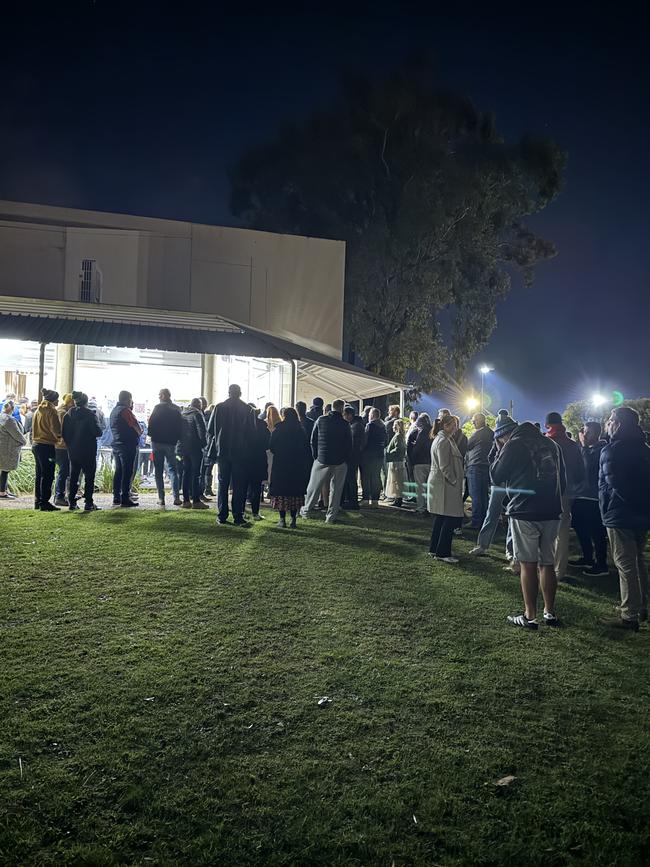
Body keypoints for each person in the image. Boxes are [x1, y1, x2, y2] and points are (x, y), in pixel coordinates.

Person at [491, 417, 566, 630]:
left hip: (524, 509)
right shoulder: (552, 444)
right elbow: (564, 480)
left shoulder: (513, 444)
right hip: (551, 509)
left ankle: (529, 615)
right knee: (547, 563)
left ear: (504, 435)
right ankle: (549, 612)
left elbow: (496, 476)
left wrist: (499, 450)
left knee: (527, 563)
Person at [599, 406, 650, 630]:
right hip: (642, 513)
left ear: (618, 424)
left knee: (625, 563)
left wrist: (617, 509)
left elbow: (616, 485)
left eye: (610, 420)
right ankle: (641, 606)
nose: (607, 424)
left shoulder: (612, 451)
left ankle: (629, 614)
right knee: (638, 561)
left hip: (620, 514)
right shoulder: (644, 448)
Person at [206, 384, 256, 526]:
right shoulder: (247, 409)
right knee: (239, 485)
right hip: (241, 452)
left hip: (223, 451)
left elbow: (210, 430)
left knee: (223, 483)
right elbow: (252, 433)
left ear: (228, 393)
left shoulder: (219, 408)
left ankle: (222, 515)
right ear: (240, 393)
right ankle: (238, 515)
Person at [545, 411, 584, 580]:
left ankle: (545, 566)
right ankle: (559, 571)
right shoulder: (573, 445)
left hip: (546, 493)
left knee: (545, 532)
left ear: (547, 424)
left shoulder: (545, 442)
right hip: (567, 493)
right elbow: (580, 472)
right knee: (563, 533)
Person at [300, 399, 352, 524]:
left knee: (314, 487)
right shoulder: (345, 424)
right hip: (339, 460)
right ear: (342, 409)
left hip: (322, 458)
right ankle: (331, 517)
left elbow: (313, 440)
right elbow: (349, 444)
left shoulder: (321, 420)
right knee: (336, 490)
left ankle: (306, 510)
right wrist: (345, 458)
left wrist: (316, 456)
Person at [570, 421, 608, 576]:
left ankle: (601, 564)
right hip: (581, 495)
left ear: (594, 433)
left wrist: (584, 446)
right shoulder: (586, 449)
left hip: (593, 497)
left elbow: (587, 467)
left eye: (586, 432)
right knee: (579, 527)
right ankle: (587, 557)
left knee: (597, 531)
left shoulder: (600, 450)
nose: (583, 434)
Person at [427, 415, 464, 562]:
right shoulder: (443, 440)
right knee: (448, 518)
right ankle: (443, 553)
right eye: (453, 425)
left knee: (441, 518)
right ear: (445, 425)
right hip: (445, 485)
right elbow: (444, 466)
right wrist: (454, 480)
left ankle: (434, 549)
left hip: (444, 484)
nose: (455, 428)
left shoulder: (444, 439)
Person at [269, 407, 312, 527]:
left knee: (281, 492)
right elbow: (305, 447)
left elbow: (271, 446)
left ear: (284, 416)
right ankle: (293, 519)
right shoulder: (300, 429)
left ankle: (282, 520)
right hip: (296, 465)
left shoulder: (278, 429)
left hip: (281, 465)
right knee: (295, 493)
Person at [62, 391, 102, 511]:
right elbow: (98, 432)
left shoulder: (68, 415)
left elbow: (64, 433)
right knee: (89, 477)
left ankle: (72, 502)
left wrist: (71, 444)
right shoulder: (90, 415)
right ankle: (88, 503)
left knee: (74, 476)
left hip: (73, 450)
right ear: (85, 402)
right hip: (88, 450)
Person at [148, 388, 183, 508]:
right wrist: (176, 438)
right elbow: (180, 426)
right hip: (171, 443)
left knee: (158, 470)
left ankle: (161, 498)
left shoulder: (157, 408)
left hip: (157, 442)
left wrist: (152, 435)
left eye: (159, 395)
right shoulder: (176, 409)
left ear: (164, 396)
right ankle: (176, 497)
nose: (158, 397)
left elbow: (151, 423)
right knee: (173, 469)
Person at [109, 390, 142, 507]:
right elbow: (137, 428)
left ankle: (116, 496)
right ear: (128, 400)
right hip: (127, 445)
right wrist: (140, 431)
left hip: (117, 445)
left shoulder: (114, 411)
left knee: (118, 472)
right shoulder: (125, 411)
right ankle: (125, 498)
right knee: (127, 471)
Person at [31, 388, 62, 511]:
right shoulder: (52, 411)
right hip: (47, 445)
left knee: (39, 474)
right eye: (57, 399)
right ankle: (45, 502)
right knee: (48, 474)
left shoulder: (38, 409)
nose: (58, 401)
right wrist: (59, 438)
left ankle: (38, 500)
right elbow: (55, 429)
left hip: (36, 444)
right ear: (53, 399)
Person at [178, 398, 209, 510]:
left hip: (183, 448)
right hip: (195, 448)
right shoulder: (197, 414)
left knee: (186, 473)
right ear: (199, 405)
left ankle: (186, 500)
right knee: (196, 474)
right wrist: (203, 445)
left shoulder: (182, 414)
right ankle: (196, 500)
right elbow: (202, 431)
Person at [466, 412, 494, 530]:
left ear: (480, 420)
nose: (472, 422)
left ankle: (476, 521)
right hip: (486, 466)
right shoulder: (491, 433)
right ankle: (484, 520)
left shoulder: (478, 433)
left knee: (476, 495)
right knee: (484, 496)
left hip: (476, 465)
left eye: (474, 420)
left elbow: (467, 445)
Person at [248, 403, 271, 520]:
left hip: (245, 459)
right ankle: (255, 512)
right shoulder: (262, 426)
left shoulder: (243, 426)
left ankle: (240, 511)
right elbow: (268, 444)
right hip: (258, 458)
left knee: (242, 487)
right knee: (256, 487)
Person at [407, 412, 432, 514]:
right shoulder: (433, 431)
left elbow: (416, 448)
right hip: (431, 463)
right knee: (429, 487)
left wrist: (412, 460)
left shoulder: (420, 433)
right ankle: (430, 507)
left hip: (420, 463)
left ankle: (421, 507)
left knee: (420, 487)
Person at [0, 400, 27, 498]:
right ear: (11, 408)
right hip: (8, 448)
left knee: (3, 469)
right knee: (5, 470)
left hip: (3, 447)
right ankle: (2, 492)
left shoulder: (1, 417)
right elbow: (16, 433)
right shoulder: (8, 419)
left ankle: (4, 490)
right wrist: (24, 441)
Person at [360, 408, 387, 505]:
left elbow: (365, 440)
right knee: (376, 477)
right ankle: (375, 500)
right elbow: (386, 442)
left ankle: (366, 498)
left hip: (368, 455)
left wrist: (361, 450)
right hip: (379, 455)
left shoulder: (370, 426)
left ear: (372, 415)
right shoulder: (383, 426)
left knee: (366, 477)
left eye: (369, 415)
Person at [342, 404, 366, 510]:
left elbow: (353, 442)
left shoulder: (355, 426)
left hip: (352, 456)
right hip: (355, 455)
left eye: (344, 415)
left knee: (351, 478)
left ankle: (353, 501)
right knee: (350, 478)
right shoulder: (357, 424)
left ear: (349, 415)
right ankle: (351, 500)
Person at [53, 393, 74, 506]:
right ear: (69, 402)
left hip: (59, 446)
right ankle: (59, 496)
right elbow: (62, 430)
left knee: (63, 471)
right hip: (62, 446)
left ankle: (59, 495)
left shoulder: (60, 411)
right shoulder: (63, 413)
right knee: (64, 471)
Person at [386, 419, 406, 508]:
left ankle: (398, 499)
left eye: (394, 425)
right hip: (397, 461)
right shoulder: (400, 436)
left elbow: (399, 449)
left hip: (396, 461)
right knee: (397, 481)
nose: (393, 427)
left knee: (396, 481)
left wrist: (389, 453)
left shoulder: (398, 436)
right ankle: (397, 498)